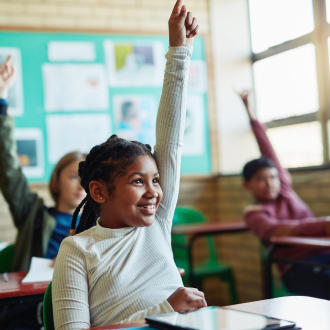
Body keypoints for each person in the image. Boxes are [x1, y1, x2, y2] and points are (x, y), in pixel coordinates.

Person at [52, 1, 206, 329]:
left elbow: (171, 142)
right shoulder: (77, 250)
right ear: (99, 191)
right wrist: (167, 308)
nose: (153, 192)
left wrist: (179, 50)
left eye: (156, 180)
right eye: (138, 181)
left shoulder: (156, 225)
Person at [0, 55, 86, 329]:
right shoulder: (33, 214)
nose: (80, 185)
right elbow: (8, 168)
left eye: (87, 179)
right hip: (31, 306)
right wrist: (2, 98)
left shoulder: (98, 225)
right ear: (57, 180)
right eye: (73, 176)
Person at [239, 90, 330, 299]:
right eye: (261, 179)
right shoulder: (254, 213)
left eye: (273, 177)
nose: (270, 183)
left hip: (324, 254)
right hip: (298, 268)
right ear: (247, 185)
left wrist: (251, 114)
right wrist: (322, 225)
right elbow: (275, 231)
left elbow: (267, 149)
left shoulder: (285, 191)